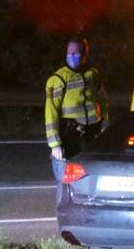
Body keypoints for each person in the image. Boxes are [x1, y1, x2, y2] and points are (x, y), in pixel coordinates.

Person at [46, 37, 109, 181]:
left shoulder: (93, 74)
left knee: (92, 173)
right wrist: (55, 143)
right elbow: (51, 112)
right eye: (70, 52)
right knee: (68, 176)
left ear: (84, 54)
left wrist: (105, 123)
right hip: (70, 136)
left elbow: (102, 100)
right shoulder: (58, 79)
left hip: (93, 133)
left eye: (76, 53)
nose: (72, 56)